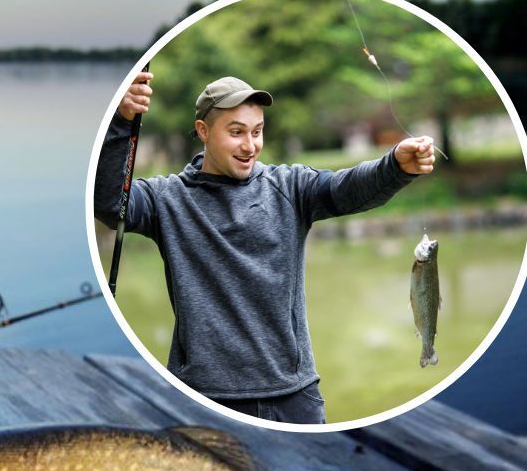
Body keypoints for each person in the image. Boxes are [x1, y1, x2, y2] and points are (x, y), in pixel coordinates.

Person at [93, 73, 436, 424]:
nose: (250, 146)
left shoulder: (290, 186)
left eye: (257, 132)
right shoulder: (166, 199)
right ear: (203, 131)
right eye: (237, 132)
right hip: (201, 398)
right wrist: (121, 121)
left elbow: (345, 188)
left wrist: (394, 166)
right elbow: (108, 204)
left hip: (293, 397)